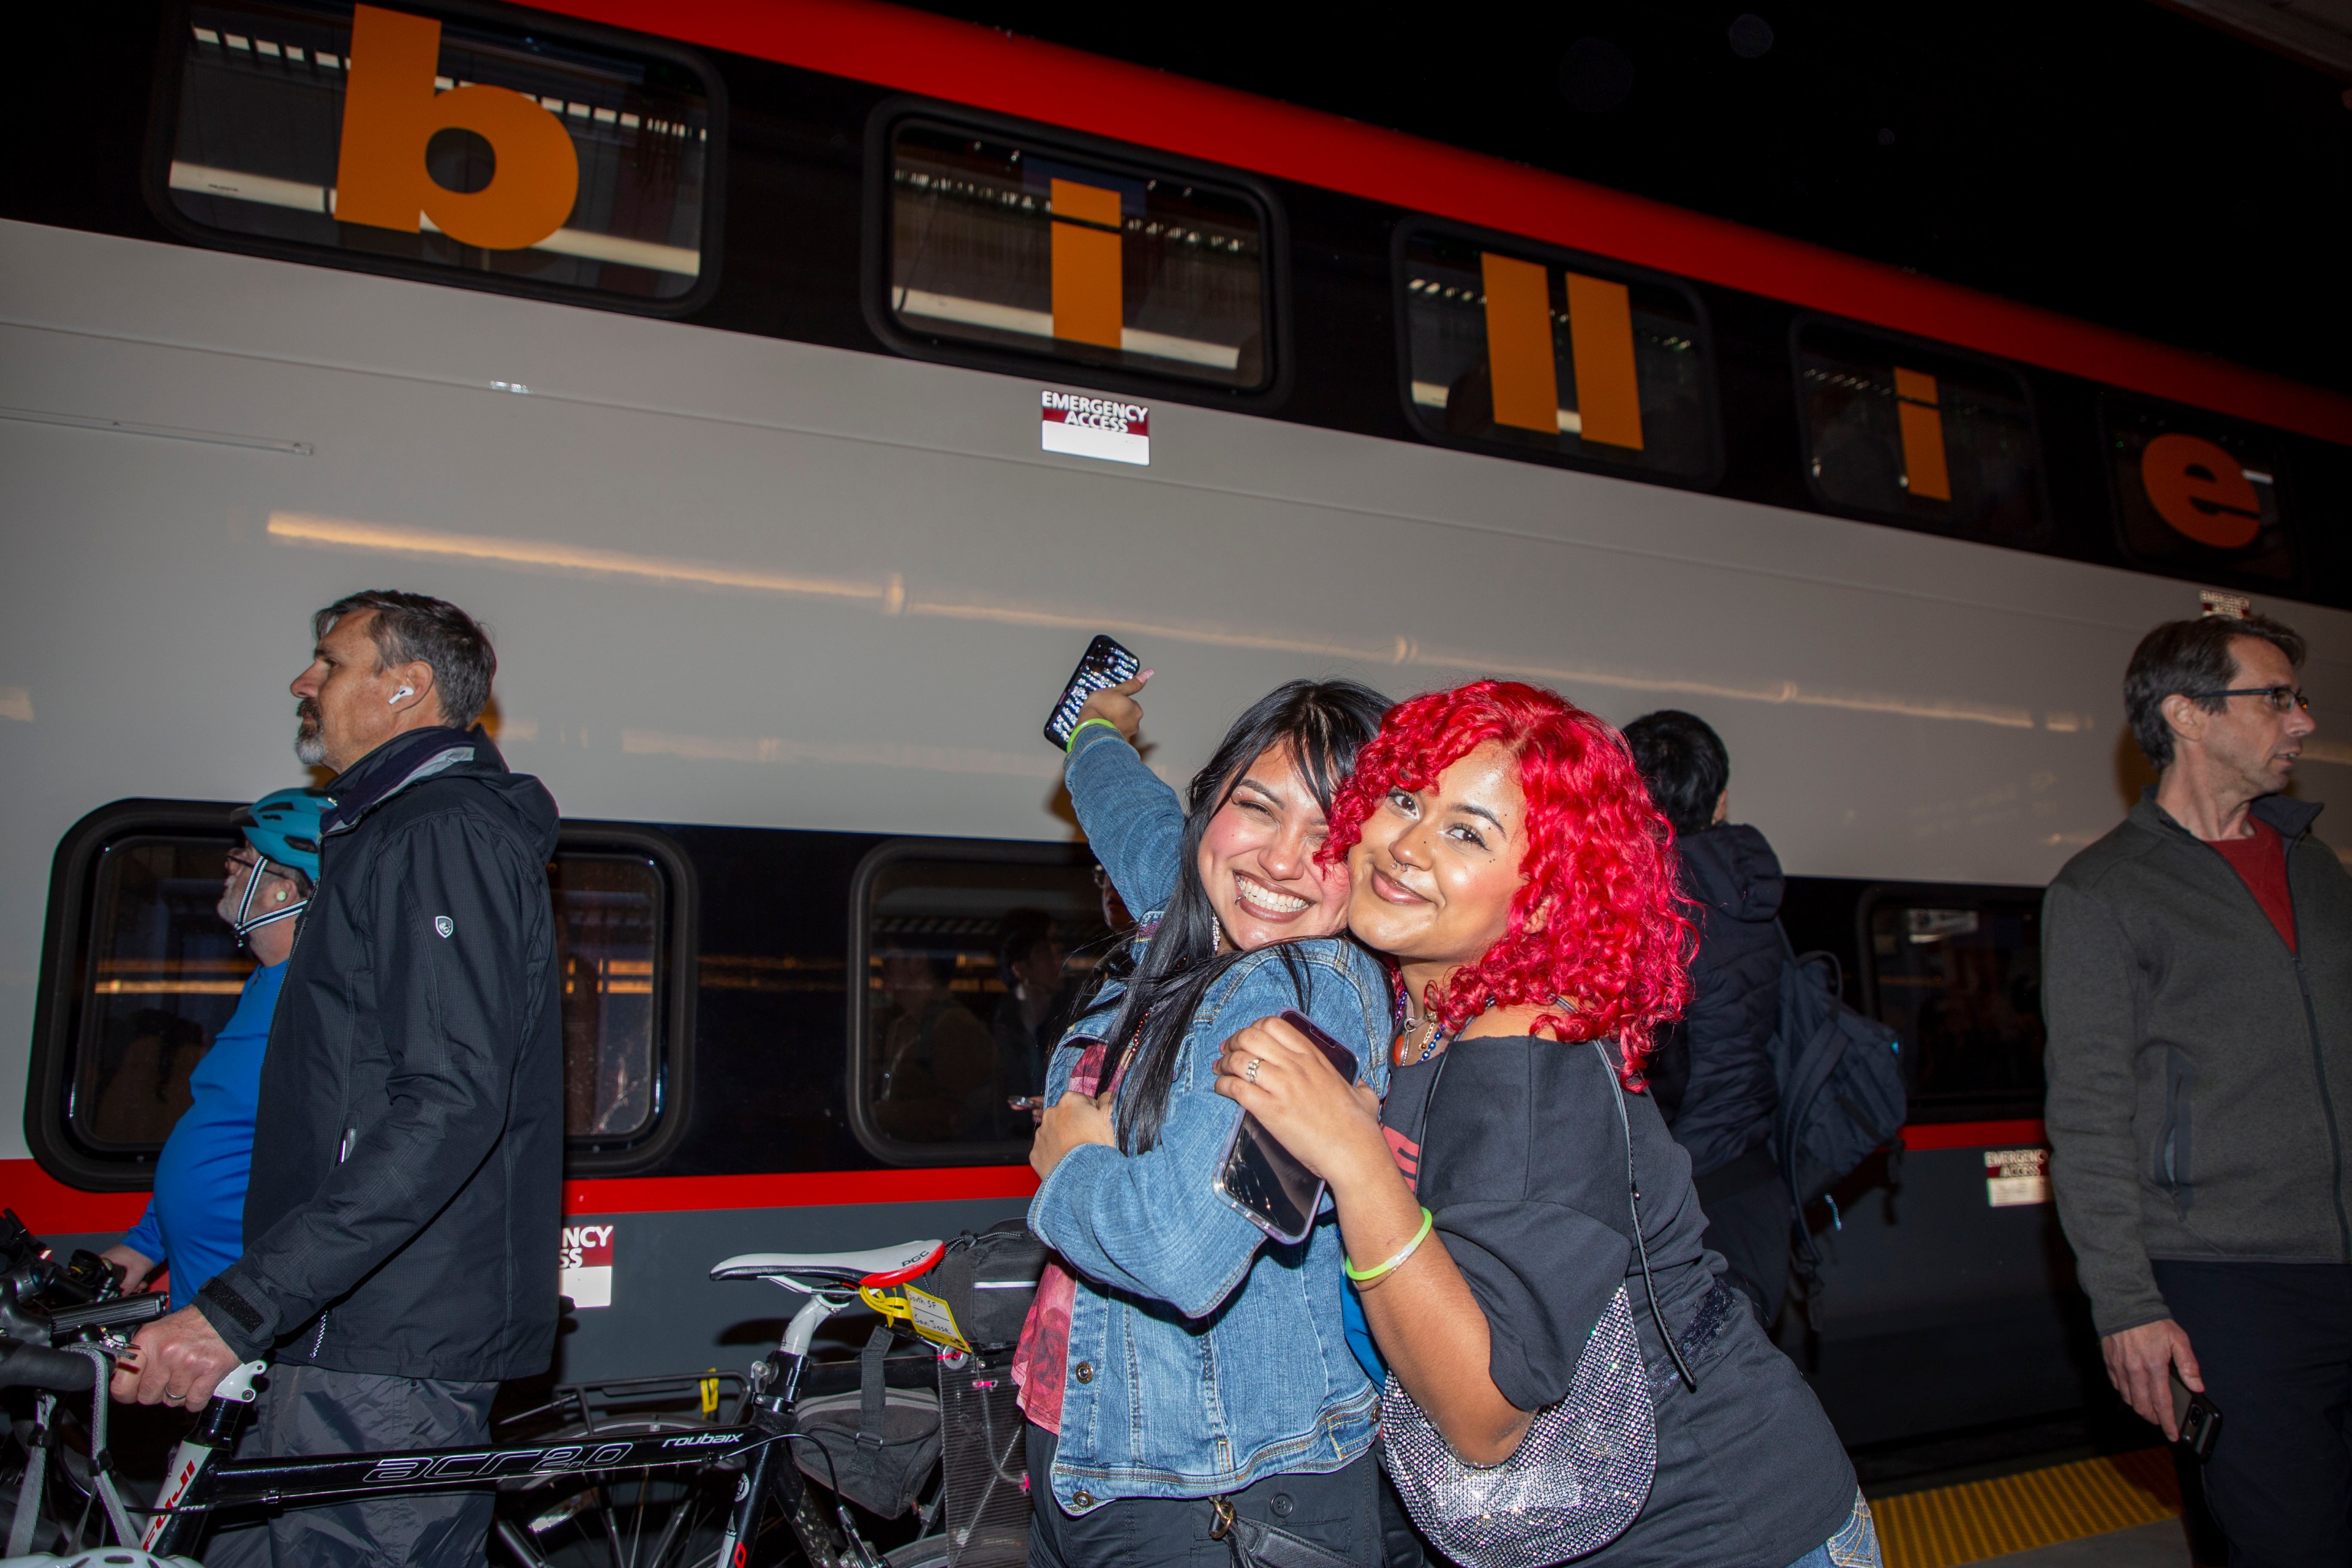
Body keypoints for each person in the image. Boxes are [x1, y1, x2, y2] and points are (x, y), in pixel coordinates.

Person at [1216, 680, 1874, 1567]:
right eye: (1406, 799)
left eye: (1466, 833)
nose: (1406, 846)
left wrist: (1351, 1153)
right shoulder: (1410, 1013)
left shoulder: (1531, 1057)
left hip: (1724, 1531)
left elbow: (1487, 1417)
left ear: (1545, 895)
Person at [114, 589, 564, 1568]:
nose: (302, 683)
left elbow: (448, 1104)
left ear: (405, 689)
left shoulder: (437, 832)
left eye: (329, 662)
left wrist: (240, 1309)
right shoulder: (390, 830)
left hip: (385, 1348)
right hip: (339, 1333)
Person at [1019, 676, 1402, 1567]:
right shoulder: (1191, 924)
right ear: (1211, 807)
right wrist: (1097, 733)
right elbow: (1129, 813)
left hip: (1223, 1505)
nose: (1278, 860)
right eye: (1257, 809)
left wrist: (1072, 1163)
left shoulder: (1309, 1000)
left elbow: (1182, 1256)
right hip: (1096, 1466)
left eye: (1330, 839)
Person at [2042, 611, 2349, 1567]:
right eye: (2278, 699)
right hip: (2227, 1284)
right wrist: (2127, 1304)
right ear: (2189, 714)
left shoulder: (2320, 869)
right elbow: (2087, 1119)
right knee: (2290, 1545)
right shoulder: (2103, 892)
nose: (2301, 723)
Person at [104, 790, 323, 1308]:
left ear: (283, 893)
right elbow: (226, 1128)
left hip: (250, 1308)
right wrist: (143, 1247)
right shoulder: (264, 983)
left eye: (244, 861)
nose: (229, 872)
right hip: (206, 1296)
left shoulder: (312, 1006)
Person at [1623, 709, 1791, 1325]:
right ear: (1720, 803)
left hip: (1678, 1206)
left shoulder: (1647, 915)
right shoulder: (1754, 899)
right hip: (1754, 1188)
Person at [873, 950, 998, 1142]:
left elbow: (956, 1114)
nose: (883, 964)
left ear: (917, 962)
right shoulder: (903, 1025)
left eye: (890, 956)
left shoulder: (955, 1025)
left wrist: (884, 1114)